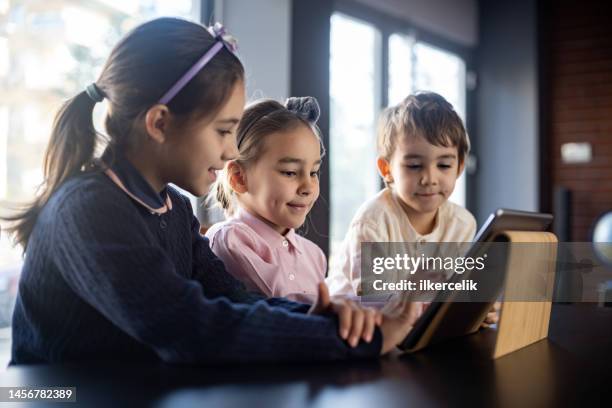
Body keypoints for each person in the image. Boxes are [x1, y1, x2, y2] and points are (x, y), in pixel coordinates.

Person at [4, 18, 419, 365]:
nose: (232, 150)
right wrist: (360, 343)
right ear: (160, 123)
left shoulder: (175, 209)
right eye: (223, 130)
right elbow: (185, 324)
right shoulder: (88, 209)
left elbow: (233, 298)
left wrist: (329, 320)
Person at [327, 92, 477, 297]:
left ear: (459, 167)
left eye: (444, 165)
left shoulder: (462, 224)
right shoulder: (373, 221)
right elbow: (373, 299)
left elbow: (454, 292)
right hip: (350, 322)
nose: (429, 178)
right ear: (387, 168)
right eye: (414, 166)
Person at [207, 97, 331, 304]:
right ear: (239, 177)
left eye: (314, 172)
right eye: (290, 172)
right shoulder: (230, 240)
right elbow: (279, 308)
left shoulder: (314, 255)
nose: (308, 187)